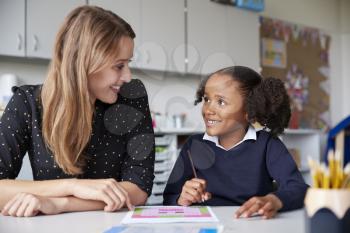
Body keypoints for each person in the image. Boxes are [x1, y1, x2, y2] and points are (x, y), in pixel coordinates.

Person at [0, 5, 155, 217]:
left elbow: (138, 189)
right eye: (119, 66)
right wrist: (70, 186)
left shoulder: (132, 97)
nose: (128, 76)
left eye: (128, 63)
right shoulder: (27, 103)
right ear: (85, 62)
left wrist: (59, 204)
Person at [163, 66, 308, 219]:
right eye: (207, 99)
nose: (208, 110)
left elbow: (299, 188)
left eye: (221, 102)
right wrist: (181, 199)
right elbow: (169, 198)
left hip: (252, 223)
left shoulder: (267, 144)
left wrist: (273, 200)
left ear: (250, 111)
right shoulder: (194, 145)